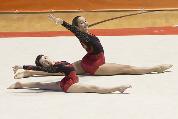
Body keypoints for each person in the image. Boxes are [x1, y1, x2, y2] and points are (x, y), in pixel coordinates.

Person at [14, 14, 173, 79]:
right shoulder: (83, 35)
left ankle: (28, 73)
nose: (85, 23)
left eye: (85, 21)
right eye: (81, 23)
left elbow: (77, 31)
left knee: (61, 70)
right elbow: (74, 31)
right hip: (95, 66)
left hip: (87, 60)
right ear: (79, 27)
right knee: (127, 68)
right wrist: (61, 22)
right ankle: (156, 68)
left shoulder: (85, 35)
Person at [9, 56, 132, 93]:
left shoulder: (58, 62)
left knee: (41, 84)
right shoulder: (54, 68)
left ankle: (19, 85)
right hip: (69, 85)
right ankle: (118, 88)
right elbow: (35, 67)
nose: (47, 61)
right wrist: (21, 66)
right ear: (44, 66)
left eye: (45, 57)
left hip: (68, 81)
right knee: (93, 88)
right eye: (44, 63)